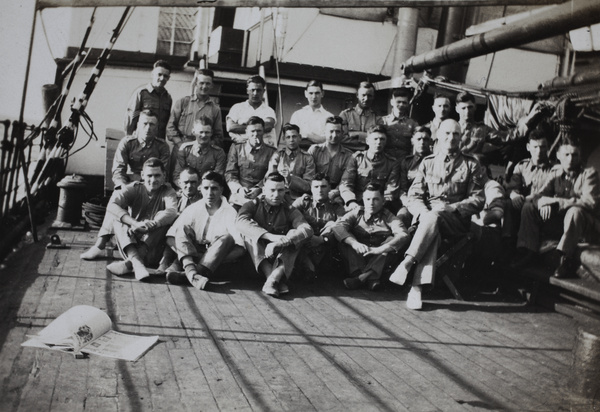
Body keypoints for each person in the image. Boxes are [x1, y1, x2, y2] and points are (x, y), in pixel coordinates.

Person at [390, 119, 484, 310]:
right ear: (439, 136)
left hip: (456, 221)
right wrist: (424, 214)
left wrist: (453, 208)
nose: (451, 138)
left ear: (461, 137)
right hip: (430, 219)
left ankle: (407, 262)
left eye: (456, 134)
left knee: (434, 218)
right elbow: (414, 195)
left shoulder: (471, 164)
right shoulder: (428, 163)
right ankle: (416, 288)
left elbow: (478, 200)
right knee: (432, 223)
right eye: (447, 133)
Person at [512, 142, 600, 278]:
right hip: (563, 223)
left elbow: (590, 203)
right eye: (567, 155)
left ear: (580, 156)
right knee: (529, 207)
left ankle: (566, 259)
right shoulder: (556, 173)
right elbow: (539, 195)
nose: (571, 159)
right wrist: (542, 202)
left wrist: (556, 202)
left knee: (574, 211)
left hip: (585, 225)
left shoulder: (589, 174)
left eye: (575, 155)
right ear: (559, 156)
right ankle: (529, 252)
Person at [236, 172, 313, 297]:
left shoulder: (289, 209)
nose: (276, 195)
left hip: (282, 261)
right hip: (255, 262)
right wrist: (270, 236)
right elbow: (240, 222)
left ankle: (273, 279)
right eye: (272, 190)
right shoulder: (252, 205)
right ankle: (271, 278)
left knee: (295, 235)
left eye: (280, 190)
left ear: (285, 190)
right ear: (264, 190)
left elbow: (307, 229)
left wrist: (283, 241)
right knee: (249, 233)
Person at [164, 171, 245, 290]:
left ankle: (189, 274)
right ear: (200, 189)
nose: (209, 193)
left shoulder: (230, 212)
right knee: (182, 228)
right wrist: (186, 253)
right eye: (206, 188)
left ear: (222, 190)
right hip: (191, 255)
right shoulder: (193, 208)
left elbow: (240, 248)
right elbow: (171, 237)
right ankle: (193, 273)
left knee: (228, 238)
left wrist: (214, 258)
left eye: (214, 189)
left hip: (214, 262)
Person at [103, 158, 177, 280]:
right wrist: (135, 223)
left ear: (164, 176)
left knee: (166, 220)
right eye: (149, 175)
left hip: (153, 250)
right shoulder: (134, 188)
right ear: (142, 175)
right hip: (130, 244)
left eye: (157, 175)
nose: (153, 180)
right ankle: (137, 263)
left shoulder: (168, 191)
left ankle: (131, 263)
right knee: (118, 218)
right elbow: (112, 205)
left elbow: (172, 211)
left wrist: (153, 223)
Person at [333, 183, 410, 291]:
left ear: (383, 201)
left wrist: (381, 249)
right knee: (345, 238)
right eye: (368, 199)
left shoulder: (389, 217)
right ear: (363, 200)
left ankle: (361, 278)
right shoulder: (357, 213)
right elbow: (338, 227)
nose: (371, 203)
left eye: (376, 199)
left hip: (378, 257)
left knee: (393, 241)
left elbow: (403, 234)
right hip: (358, 257)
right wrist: (354, 243)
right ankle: (371, 279)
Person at [292, 173, 346, 279]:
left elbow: (342, 226)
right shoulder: (303, 202)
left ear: (329, 188)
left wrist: (322, 239)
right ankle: (307, 267)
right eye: (316, 187)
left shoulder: (336, 207)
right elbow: (289, 216)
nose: (319, 190)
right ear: (311, 188)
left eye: (323, 186)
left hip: (325, 247)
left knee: (332, 225)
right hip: (305, 245)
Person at [503, 130, 554, 239]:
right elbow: (512, 187)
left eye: (542, 147)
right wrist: (514, 195)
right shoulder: (522, 166)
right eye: (535, 147)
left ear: (548, 147)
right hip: (524, 206)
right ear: (528, 147)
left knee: (527, 206)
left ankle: (525, 249)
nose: (539, 151)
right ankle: (507, 241)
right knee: (508, 203)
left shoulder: (554, 169)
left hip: (542, 208)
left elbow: (558, 192)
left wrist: (546, 201)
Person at [339, 125, 400, 210]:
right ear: (367, 141)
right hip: (357, 204)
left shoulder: (392, 163)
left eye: (382, 139)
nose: (378, 142)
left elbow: (391, 190)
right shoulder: (357, 159)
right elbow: (346, 184)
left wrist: (377, 206)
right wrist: (351, 201)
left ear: (386, 142)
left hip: (381, 206)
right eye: (375, 139)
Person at [112, 110, 171, 190]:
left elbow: (163, 174)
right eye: (145, 124)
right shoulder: (127, 143)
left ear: (157, 128)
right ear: (138, 125)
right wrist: (122, 185)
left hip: (154, 186)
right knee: (117, 198)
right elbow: (118, 170)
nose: (148, 128)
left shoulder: (162, 146)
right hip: (130, 185)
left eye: (152, 124)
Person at [226, 116, 277, 207]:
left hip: (263, 195)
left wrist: (259, 189)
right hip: (239, 196)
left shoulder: (272, 152)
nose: (256, 134)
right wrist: (239, 189)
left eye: (259, 131)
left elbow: (271, 176)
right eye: (252, 131)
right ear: (246, 132)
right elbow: (230, 173)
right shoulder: (237, 148)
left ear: (263, 132)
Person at [166, 68, 224, 148]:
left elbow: (218, 135)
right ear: (196, 83)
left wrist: (206, 145)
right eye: (201, 83)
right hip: (182, 146)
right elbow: (170, 127)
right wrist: (180, 144)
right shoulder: (183, 102)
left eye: (208, 83)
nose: (204, 86)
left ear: (212, 85)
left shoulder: (215, 109)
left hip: (204, 149)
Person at [308, 116, 354, 206]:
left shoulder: (349, 156)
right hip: (315, 191)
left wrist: (334, 193)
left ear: (342, 133)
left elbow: (346, 181)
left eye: (338, 131)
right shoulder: (314, 150)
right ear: (324, 132)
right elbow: (309, 175)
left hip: (336, 193)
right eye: (331, 131)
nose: (334, 135)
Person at [172, 116, 226, 188]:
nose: (204, 135)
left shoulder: (218, 153)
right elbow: (177, 176)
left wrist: (201, 189)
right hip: (186, 190)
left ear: (211, 133)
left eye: (207, 132)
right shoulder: (185, 149)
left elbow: (217, 178)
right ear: (193, 132)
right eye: (201, 132)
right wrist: (186, 188)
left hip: (208, 191)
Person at [124, 60, 172, 141]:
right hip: (140, 141)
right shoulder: (141, 93)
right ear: (152, 74)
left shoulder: (168, 98)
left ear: (168, 78)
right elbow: (131, 119)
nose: (162, 78)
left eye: (165, 76)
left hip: (157, 143)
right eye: (159, 74)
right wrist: (130, 139)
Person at [267, 123, 316, 202]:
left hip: (298, 198)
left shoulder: (307, 158)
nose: (291, 140)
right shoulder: (278, 155)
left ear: (300, 138)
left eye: (294, 136)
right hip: (278, 197)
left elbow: (309, 186)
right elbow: (269, 178)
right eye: (288, 137)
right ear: (283, 138)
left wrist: (290, 178)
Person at [226, 75, 277, 147]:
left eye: (258, 90)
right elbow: (230, 127)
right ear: (247, 90)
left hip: (262, 150)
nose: (255, 93)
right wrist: (258, 128)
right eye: (252, 90)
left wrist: (243, 125)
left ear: (264, 91)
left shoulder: (268, 110)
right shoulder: (237, 107)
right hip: (241, 148)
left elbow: (268, 126)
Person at [397, 126, 432, 227]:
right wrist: (406, 201)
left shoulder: (436, 161)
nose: (422, 142)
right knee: (400, 219)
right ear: (412, 141)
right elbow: (402, 189)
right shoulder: (406, 162)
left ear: (431, 142)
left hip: (430, 203)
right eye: (419, 139)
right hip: (410, 203)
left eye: (425, 139)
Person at [289, 80, 333, 148]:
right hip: (300, 153)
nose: (314, 96)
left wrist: (305, 135)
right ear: (306, 94)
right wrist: (313, 137)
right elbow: (292, 139)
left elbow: (329, 140)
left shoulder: (329, 117)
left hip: (320, 154)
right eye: (311, 93)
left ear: (322, 94)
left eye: (317, 93)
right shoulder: (297, 115)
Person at [340, 81, 381, 150]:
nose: (366, 99)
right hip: (348, 157)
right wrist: (366, 141)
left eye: (369, 96)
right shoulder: (345, 115)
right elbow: (341, 139)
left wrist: (355, 134)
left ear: (373, 97)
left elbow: (378, 142)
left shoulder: (377, 119)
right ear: (357, 95)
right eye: (363, 95)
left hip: (367, 158)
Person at [380, 88, 419, 162]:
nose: (401, 105)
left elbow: (415, 146)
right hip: (386, 162)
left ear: (408, 104)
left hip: (404, 162)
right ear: (392, 102)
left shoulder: (413, 124)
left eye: (404, 102)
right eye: (398, 102)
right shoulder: (383, 121)